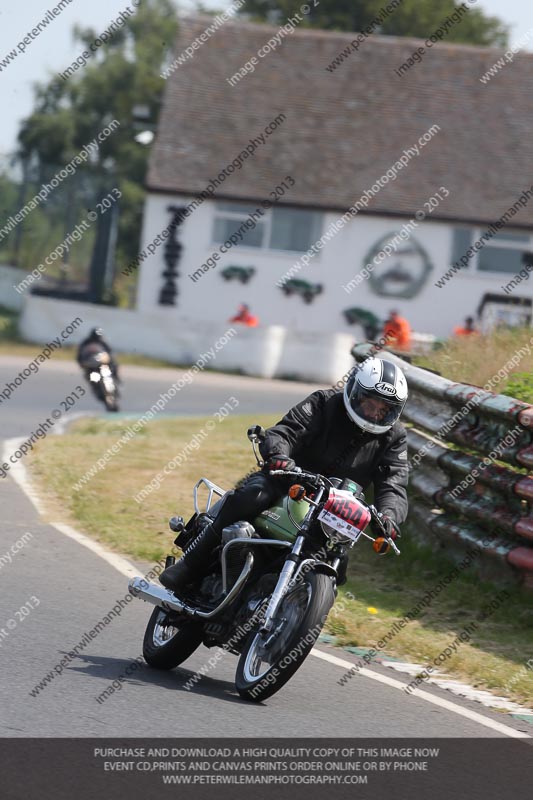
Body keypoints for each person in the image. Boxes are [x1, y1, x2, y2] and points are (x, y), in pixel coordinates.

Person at [160, 357, 409, 594]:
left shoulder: (394, 437)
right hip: (287, 481)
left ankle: (297, 606)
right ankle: (191, 563)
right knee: (252, 496)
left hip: (335, 508)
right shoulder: (324, 403)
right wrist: (281, 457)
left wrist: (389, 516)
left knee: (338, 559)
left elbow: (393, 482)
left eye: (383, 409)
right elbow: (285, 432)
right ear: (355, 393)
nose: (375, 413)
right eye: (369, 403)